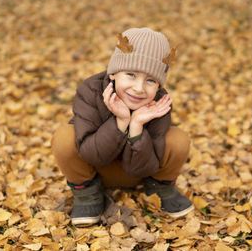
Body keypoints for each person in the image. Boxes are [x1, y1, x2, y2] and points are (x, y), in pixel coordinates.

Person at [51, 27, 193, 225]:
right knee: (65, 137)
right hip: (96, 168)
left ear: (159, 86)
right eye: (131, 74)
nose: (139, 88)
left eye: (150, 80)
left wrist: (136, 128)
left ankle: (160, 188)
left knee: (178, 139)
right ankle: (87, 194)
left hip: (140, 174)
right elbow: (91, 154)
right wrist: (120, 122)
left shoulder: (159, 104)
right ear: (114, 73)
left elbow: (140, 168)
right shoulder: (90, 91)